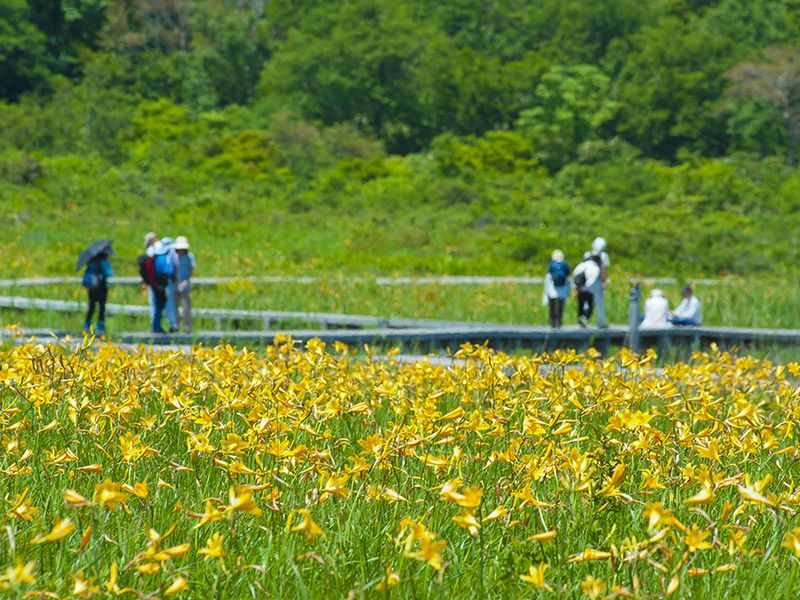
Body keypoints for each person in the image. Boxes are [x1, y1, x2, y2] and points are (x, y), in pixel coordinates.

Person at [82, 252, 113, 335]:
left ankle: (86, 325)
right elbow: (110, 273)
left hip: (91, 288)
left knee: (91, 306)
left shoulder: (91, 261)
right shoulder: (104, 261)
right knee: (101, 307)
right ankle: (100, 327)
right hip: (102, 287)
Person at [542, 250, 570, 328]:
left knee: (552, 306)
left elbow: (547, 279)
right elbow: (568, 279)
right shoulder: (565, 265)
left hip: (552, 290)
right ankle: (559, 322)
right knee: (560, 306)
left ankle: (552, 322)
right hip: (562, 289)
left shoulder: (552, 265)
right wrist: (568, 291)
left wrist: (545, 293)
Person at [572, 252, 601, 328]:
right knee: (590, 305)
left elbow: (574, 276)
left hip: (580, 289)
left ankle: (581, 319)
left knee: (580, 304)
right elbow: (593, 280)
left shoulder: (580, 265)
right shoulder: (595, 267)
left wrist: (577, 287)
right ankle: (585, 318)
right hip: (589, 290)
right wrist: (585, 287)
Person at [587, 237, 610, 328]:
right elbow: (603, 269)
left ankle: (584, 320)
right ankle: (601, 322)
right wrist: (604, 282)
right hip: (598, 282)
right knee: (599, 302)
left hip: (587, 282)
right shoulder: (603, 256)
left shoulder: (587, 254)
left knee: (587, 301)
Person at [173, 236, 195, 333]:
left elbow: (191, 270)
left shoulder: (189, 257)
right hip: (174, 283)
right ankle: (175, 325)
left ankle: (187, 327)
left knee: (186, 307)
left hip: (185, 284)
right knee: (174, 306)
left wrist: (187, 280)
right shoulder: (173, 256)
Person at [160, 237, 180, 333]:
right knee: (172, 304)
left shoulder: (162, 256)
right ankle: (174, 324)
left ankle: (173, 324)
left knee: (169, 305)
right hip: (172, 283)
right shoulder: (173, 255)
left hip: (167, 284)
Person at [143, 232, 159, 325]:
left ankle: (154, 324)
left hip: (153, 280)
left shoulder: (151, 250)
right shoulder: (166, 247)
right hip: (165, 279)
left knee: (153, 302)